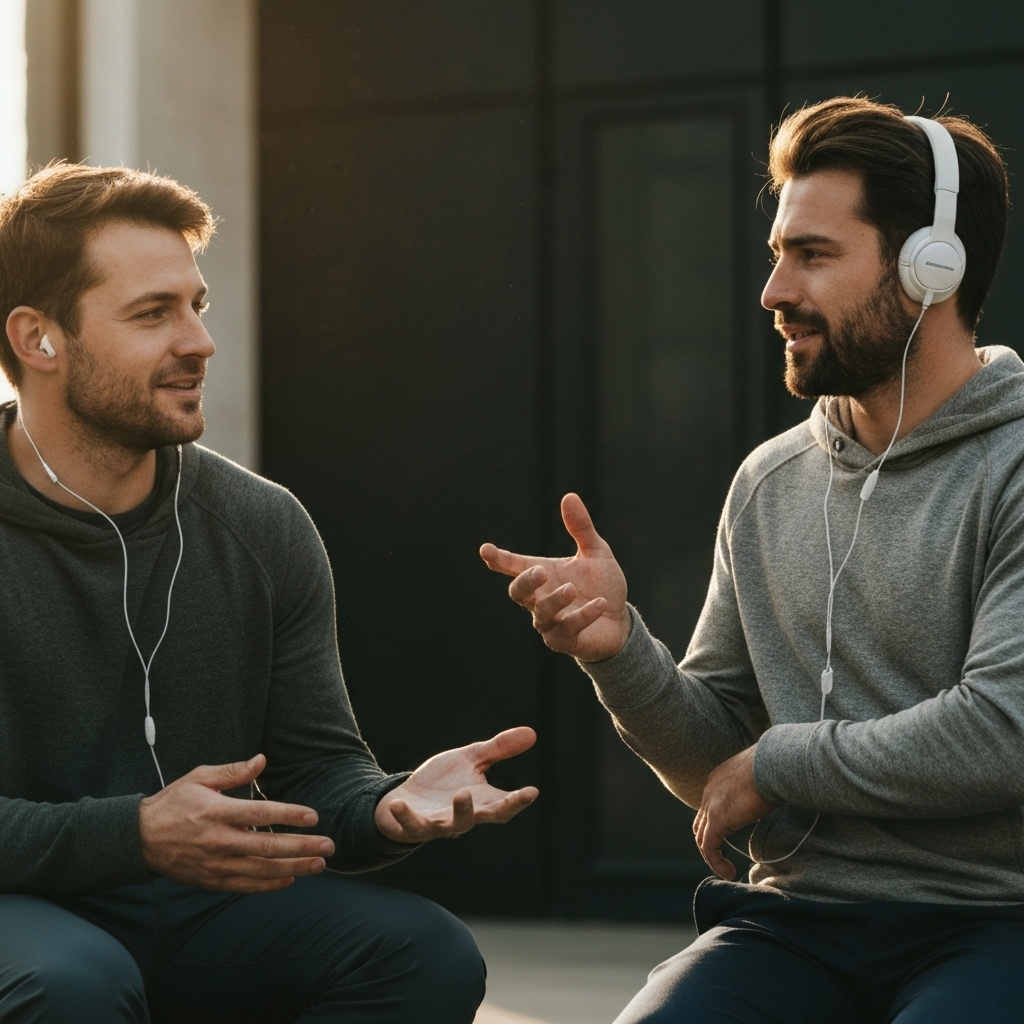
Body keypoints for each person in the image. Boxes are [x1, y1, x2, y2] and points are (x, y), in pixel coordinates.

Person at [482, 96, 1024, 1021]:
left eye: (813, 255)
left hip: (998, 921)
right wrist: (619, 652)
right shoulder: (770, 479)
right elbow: (714, 767)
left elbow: (1004, 731)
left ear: (934, 266)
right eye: (778, 254)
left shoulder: (1011, 464)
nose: (773, 292)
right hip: (796, 921)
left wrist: (778, 765)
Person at [0, 162, 539, 1024]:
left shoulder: (261, 523)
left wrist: (386, 806)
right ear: (39, 339)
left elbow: (316, 767)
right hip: (23, 910)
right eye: (152, 313)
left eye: (196, 306)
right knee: (73, 985)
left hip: (193, 910)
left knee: (424, 955)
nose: (200, 342)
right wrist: (132, 834)